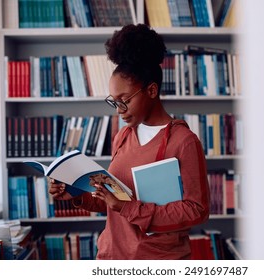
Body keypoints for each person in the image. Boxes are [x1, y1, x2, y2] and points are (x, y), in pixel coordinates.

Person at [48, 23, 210, 260]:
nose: (119, 111)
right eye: (114, 102)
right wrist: (76, 196)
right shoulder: (123, 137)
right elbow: (114, 204)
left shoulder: (184, 142)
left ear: (152, 91)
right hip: (111, 256)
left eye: (124, 100)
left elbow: (197, 210)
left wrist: (129, 208)